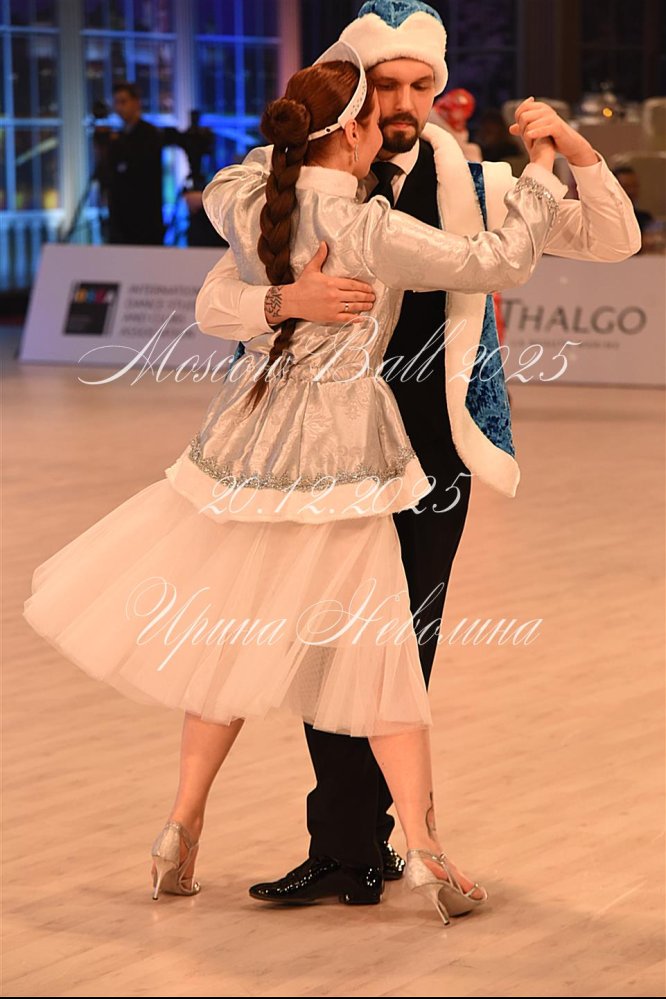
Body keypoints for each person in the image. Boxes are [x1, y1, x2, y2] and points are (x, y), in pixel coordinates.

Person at [22, 38, 567, 925]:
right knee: (380, 652)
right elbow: (498, 263)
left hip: (247, 445)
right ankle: (427, 853)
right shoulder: (367, 226)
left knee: (230, 636)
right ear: (352, 133)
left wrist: (277, 299)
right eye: (374, 114)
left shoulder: (249, 202)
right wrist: (540, 170)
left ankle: (179, 828)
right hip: (341, 457)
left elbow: (218, 240)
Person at [195, 0, 641, 907]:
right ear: (354, 89)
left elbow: (615, 239)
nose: (402, 101)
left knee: (403, 643)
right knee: (324, 641)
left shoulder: (478, 184)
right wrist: (283, 305)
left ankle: (369, 843)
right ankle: (345, 848)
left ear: (440, 90)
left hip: (433, 448)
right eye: (385, 84)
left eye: (419, 84)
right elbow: (215, 300)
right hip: (316, 445)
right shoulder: (279, 177)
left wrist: (574, 150)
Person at [103, 81, 165, 245]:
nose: (119, 108)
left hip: (145, 222)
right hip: (120, 221)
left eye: (123, 102)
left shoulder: (150, 134)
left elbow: (141, 172)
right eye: (116, 103)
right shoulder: (118, 137)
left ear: (136, 103)